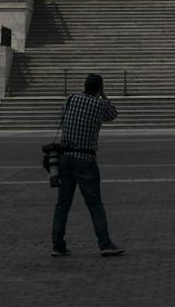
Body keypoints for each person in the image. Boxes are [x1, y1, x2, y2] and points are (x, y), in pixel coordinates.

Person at [51, 72, 122, 258]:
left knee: (62, 204)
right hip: (85, 159)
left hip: (65, 157)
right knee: (95, 203)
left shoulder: (70, 99)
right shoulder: (100, 104)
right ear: (99, 88)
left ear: (84, 85)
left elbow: (62, 117)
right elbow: (113, 114)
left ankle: (57, 245)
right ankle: (105, 243)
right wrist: (104, 96)